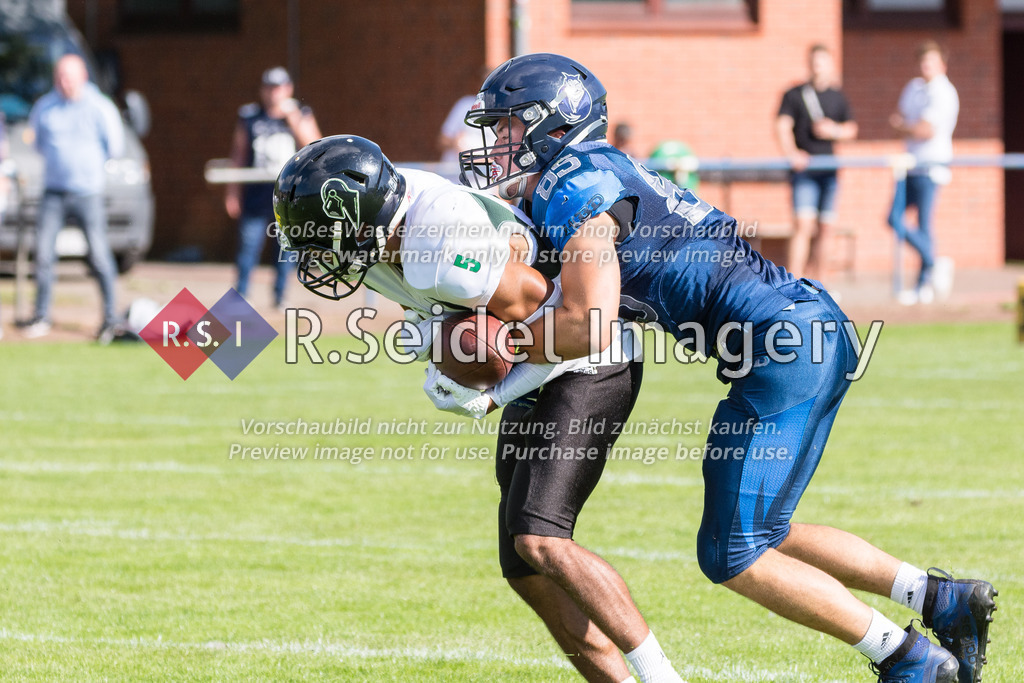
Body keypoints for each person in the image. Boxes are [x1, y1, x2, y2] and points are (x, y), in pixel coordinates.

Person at [457, 53, 996, 683]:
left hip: (781, 346)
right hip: (803, 330)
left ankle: (908, 659)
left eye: (509, 125)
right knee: (760, 529)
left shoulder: (573, 182)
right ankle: (940, 599)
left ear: (554, 123)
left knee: (732, 552)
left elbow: (589, 323)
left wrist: (494, 351)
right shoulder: (596, 169)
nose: (498, 142)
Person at [273, 135, 685, 683]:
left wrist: (493, 394)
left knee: (540, 537)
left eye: (320, 237)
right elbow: (443, 315)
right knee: (522, 566)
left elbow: (568, 328)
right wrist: (432, 342)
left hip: (589, 360)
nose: (316, 255)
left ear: (361, 220)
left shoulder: (442, 247)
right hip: (538, 355)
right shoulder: (384, 234)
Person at [23, 53, 124, 341]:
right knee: (43, 254)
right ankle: (41, 316)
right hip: (54, 191)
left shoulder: (100, 106)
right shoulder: (45, 106)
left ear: (83, 76)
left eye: (69, 77)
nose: (64, 82)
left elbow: (114, 147)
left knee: (99, 255)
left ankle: (111, 319)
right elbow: (37, 144)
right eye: (60, 77)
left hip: (88, 192)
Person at [225, 66, 321, 307]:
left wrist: (293, 119)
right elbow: (239, 154)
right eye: (269, 87)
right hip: (256, 193)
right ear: (262, 90)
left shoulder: (300, 113)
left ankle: (280, 296)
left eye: (278, 88)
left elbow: (315, 148)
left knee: (286, 248)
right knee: (249, 245)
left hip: (288, 194)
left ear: (288, 89)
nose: (273, 93)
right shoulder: (250, 116)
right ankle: (242, 294)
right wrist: (232, 192)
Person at [775, 43, 857, 280]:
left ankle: (820, 286)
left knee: (826, 229)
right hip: (805, 171)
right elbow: (781, 126)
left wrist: (834, 130)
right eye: (814, 61)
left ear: (830, 64)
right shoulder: (794, 94)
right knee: (802, 225)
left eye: (822, 61)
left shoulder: (837, 97)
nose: (818, 66)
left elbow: (851, 129)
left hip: (828, 171)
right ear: (808, 64)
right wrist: (792, 153)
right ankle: (793, 286)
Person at [889, 41, 959, 306]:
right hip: (910, 164)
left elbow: (925, 130)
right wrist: (909, 127)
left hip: (932, 167)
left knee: (924, 225)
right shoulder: (914, 88)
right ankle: (934, 262)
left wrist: (906, 127)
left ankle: (922, 285)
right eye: (923, 61)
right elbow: (900, 122)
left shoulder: (944, 92)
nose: (926, 66)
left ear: (942, 64)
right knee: (894, 218)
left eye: (931, 61)